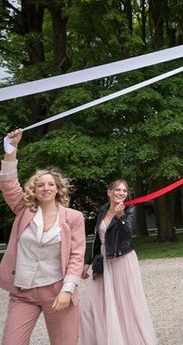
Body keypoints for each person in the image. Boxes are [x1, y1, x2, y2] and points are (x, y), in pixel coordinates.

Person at [0, 129, 85, 345]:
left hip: (58, 292)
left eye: (50, 184)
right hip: (23, 293)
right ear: (33, 190)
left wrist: (67, 291)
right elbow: (8, 183)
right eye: (40, 184)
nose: (45, 188)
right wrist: (11, 148)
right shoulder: (23, 210)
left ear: (58, 189)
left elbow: (76, 257)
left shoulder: (73, 217)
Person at [80, 179, 157, 344]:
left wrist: (120, 217)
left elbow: (127, 234)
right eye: (117, 189)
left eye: (124, 191)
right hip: (104, 261)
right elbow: (98, 238)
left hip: (122, 260)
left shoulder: (129, 209)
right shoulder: (103, 210)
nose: (121, 193)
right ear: (109, 192)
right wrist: (88, 261)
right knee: (89, 307)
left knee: (124, 306)